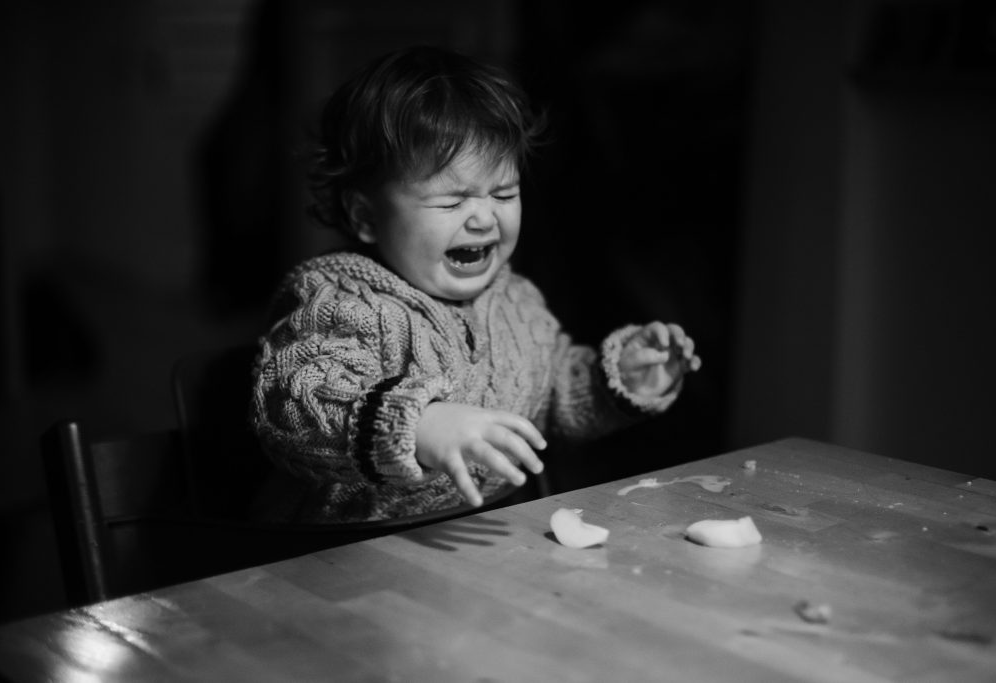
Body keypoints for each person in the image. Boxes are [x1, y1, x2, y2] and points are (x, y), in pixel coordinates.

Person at [249, 45, 701, 523]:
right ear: (365, 216)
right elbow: (290, 401)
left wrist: (617, 380)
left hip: (478, 542)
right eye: (452, 202)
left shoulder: (517, 300)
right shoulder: (337, 298)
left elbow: (550, 399)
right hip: (339, 557)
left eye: (504, 193)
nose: (485, 217)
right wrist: (415, 424)